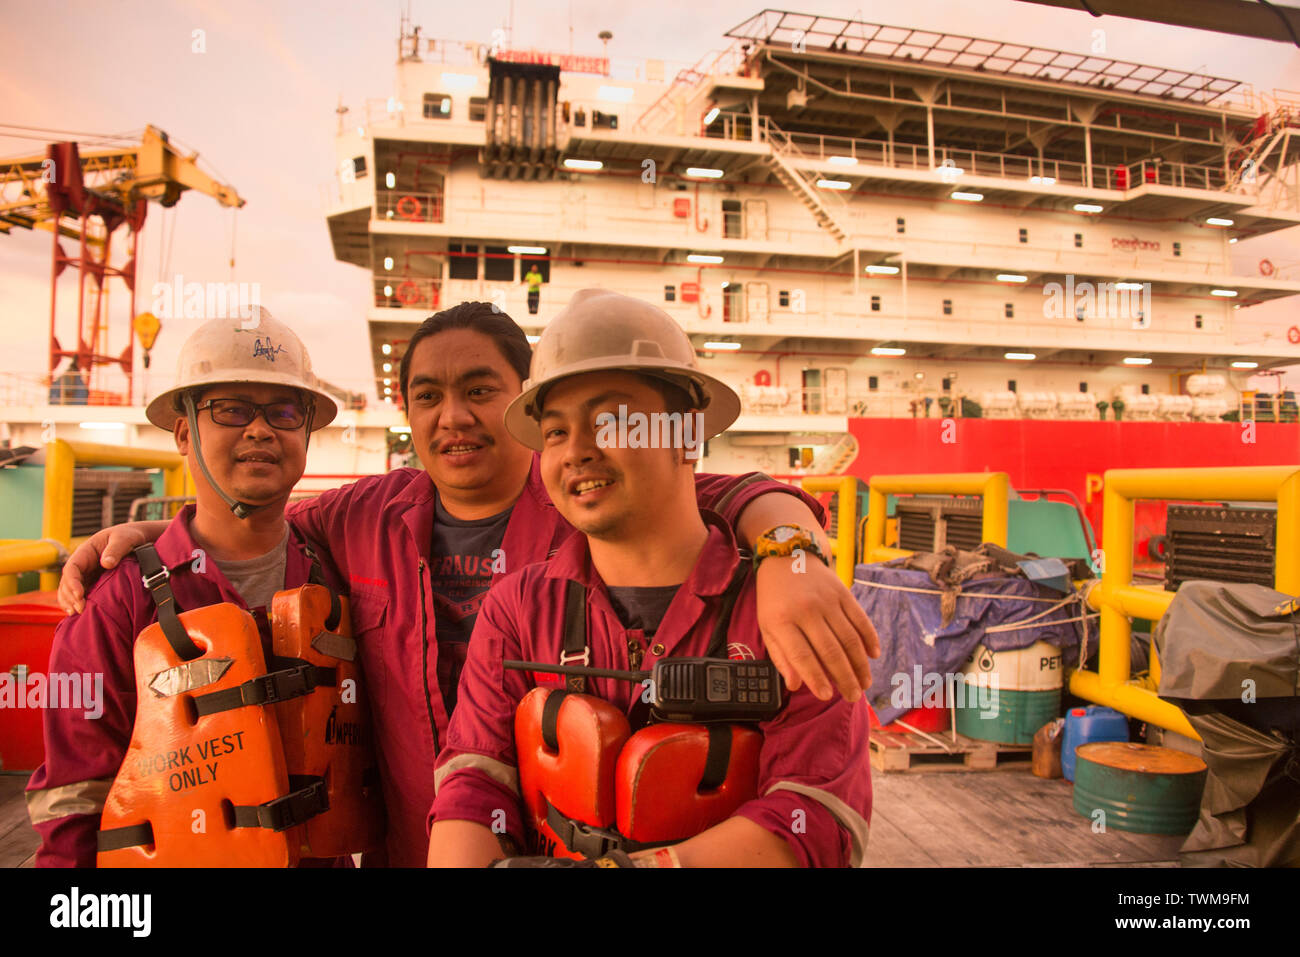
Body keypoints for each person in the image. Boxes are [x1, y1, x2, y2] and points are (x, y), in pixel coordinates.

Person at [59, 300, 879, 867]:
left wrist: (787, 548)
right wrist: (142, 543)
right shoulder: (355, 521)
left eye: (481, 390)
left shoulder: (587, 510)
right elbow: (246, 521)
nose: (452, 416)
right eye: (427, 396)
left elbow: (687, 495)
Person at [428, 289, 871, 866]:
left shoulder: (790, 610)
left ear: (687, 437)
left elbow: (813, 815)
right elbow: (475, 779)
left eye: (611, 421)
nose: (575, 452)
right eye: (556, 432)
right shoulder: (517, 608)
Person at [28, 310, 367, 866]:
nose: (260, 430)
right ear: (184, 432)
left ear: (306, 433)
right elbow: (73, 799)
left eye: (284, 412)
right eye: (231, 409)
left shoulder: (337, 575)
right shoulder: (119, 602)